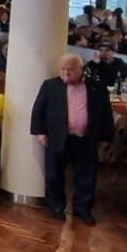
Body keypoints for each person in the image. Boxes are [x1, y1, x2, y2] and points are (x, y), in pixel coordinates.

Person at [30, 54, 114, 224]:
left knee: (86, 176)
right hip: (58, 137)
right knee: (54, 175)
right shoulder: (50, 86)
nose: (66, 73)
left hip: (85, 139)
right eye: (63, 69)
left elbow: (106, 113)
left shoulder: (97, 87)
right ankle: (56, 207)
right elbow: (38, 110)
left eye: (70, 69)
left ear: (81, 69)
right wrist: (40, 132)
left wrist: (106, 137)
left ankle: (83, 209)